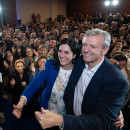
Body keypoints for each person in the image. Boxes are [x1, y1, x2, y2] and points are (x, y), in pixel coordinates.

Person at [34, 29, 129, 130]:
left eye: (92, 46)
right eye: (84, 45)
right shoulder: (79, 62)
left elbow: (102, 122)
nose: (86, 50)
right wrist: (46, 66)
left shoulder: (116, 79)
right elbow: (61, 60)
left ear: (105, 50)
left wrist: (60, 120)